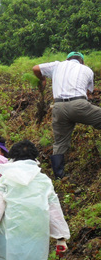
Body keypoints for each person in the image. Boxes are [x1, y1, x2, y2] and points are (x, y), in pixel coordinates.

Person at [33, 51, 101, 179]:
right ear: (82, 61)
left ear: (67, 59)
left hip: (58, 107)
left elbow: (35, 68)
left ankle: (59, 176)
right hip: (79, 104)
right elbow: (88, 92)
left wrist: (42, 80)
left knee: (60, 142)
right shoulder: (86, 69)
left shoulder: (57, 65)